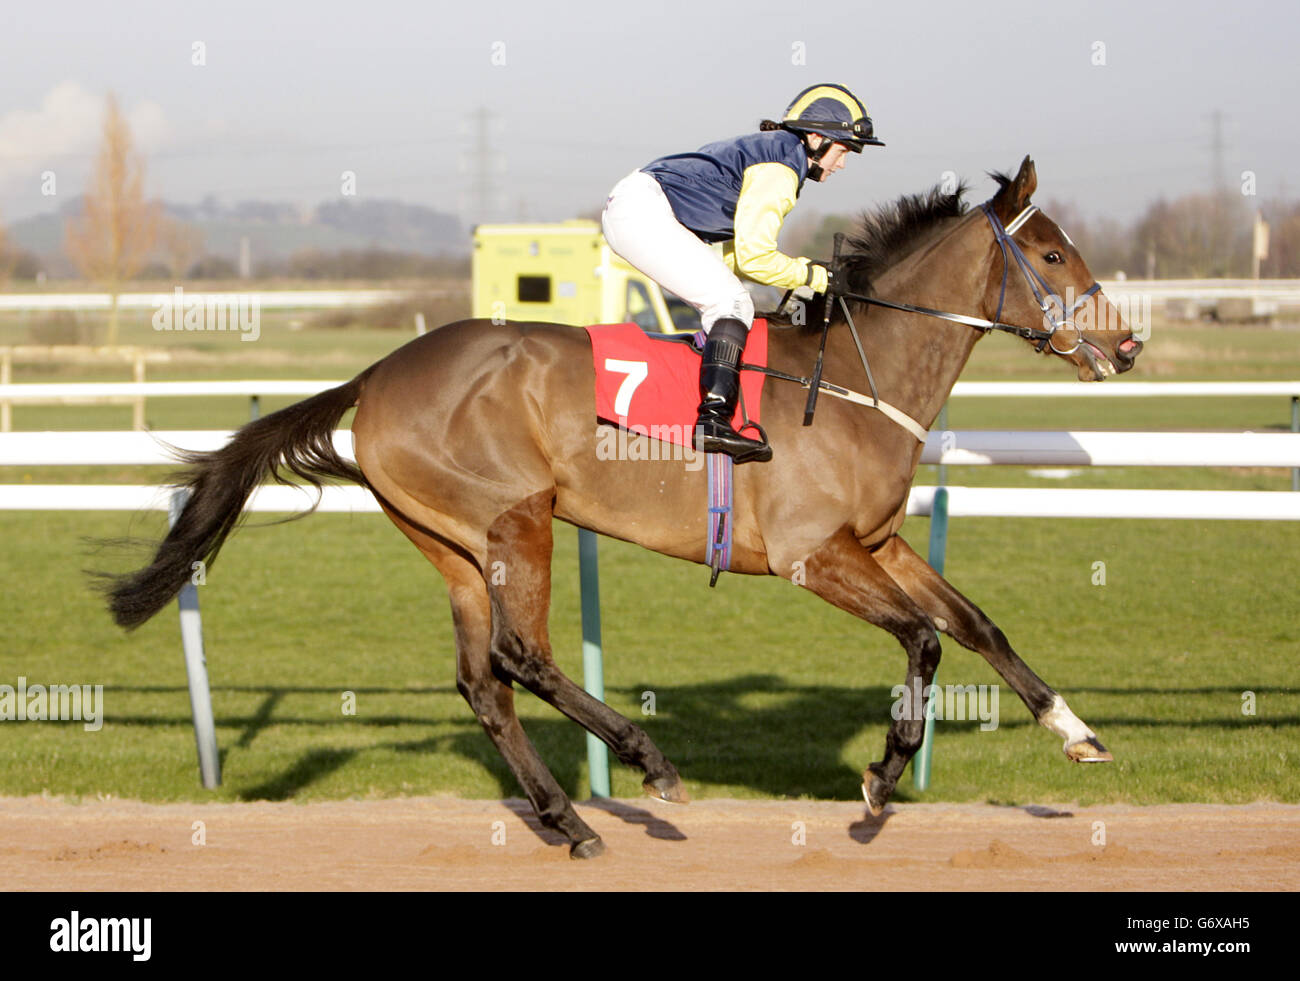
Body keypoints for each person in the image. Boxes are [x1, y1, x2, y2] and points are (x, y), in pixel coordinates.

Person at [600, 83, 884, 463]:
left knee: (729, 296)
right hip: (641, 211)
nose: (842, 163)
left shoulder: (776, 157)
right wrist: (818, 277)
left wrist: (806, 276)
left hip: (639, 206)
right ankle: (713, 420)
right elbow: (755, 259)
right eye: (844, 150)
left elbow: (734, 260)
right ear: (816, 138)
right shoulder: (781, 168)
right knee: (732, 302)